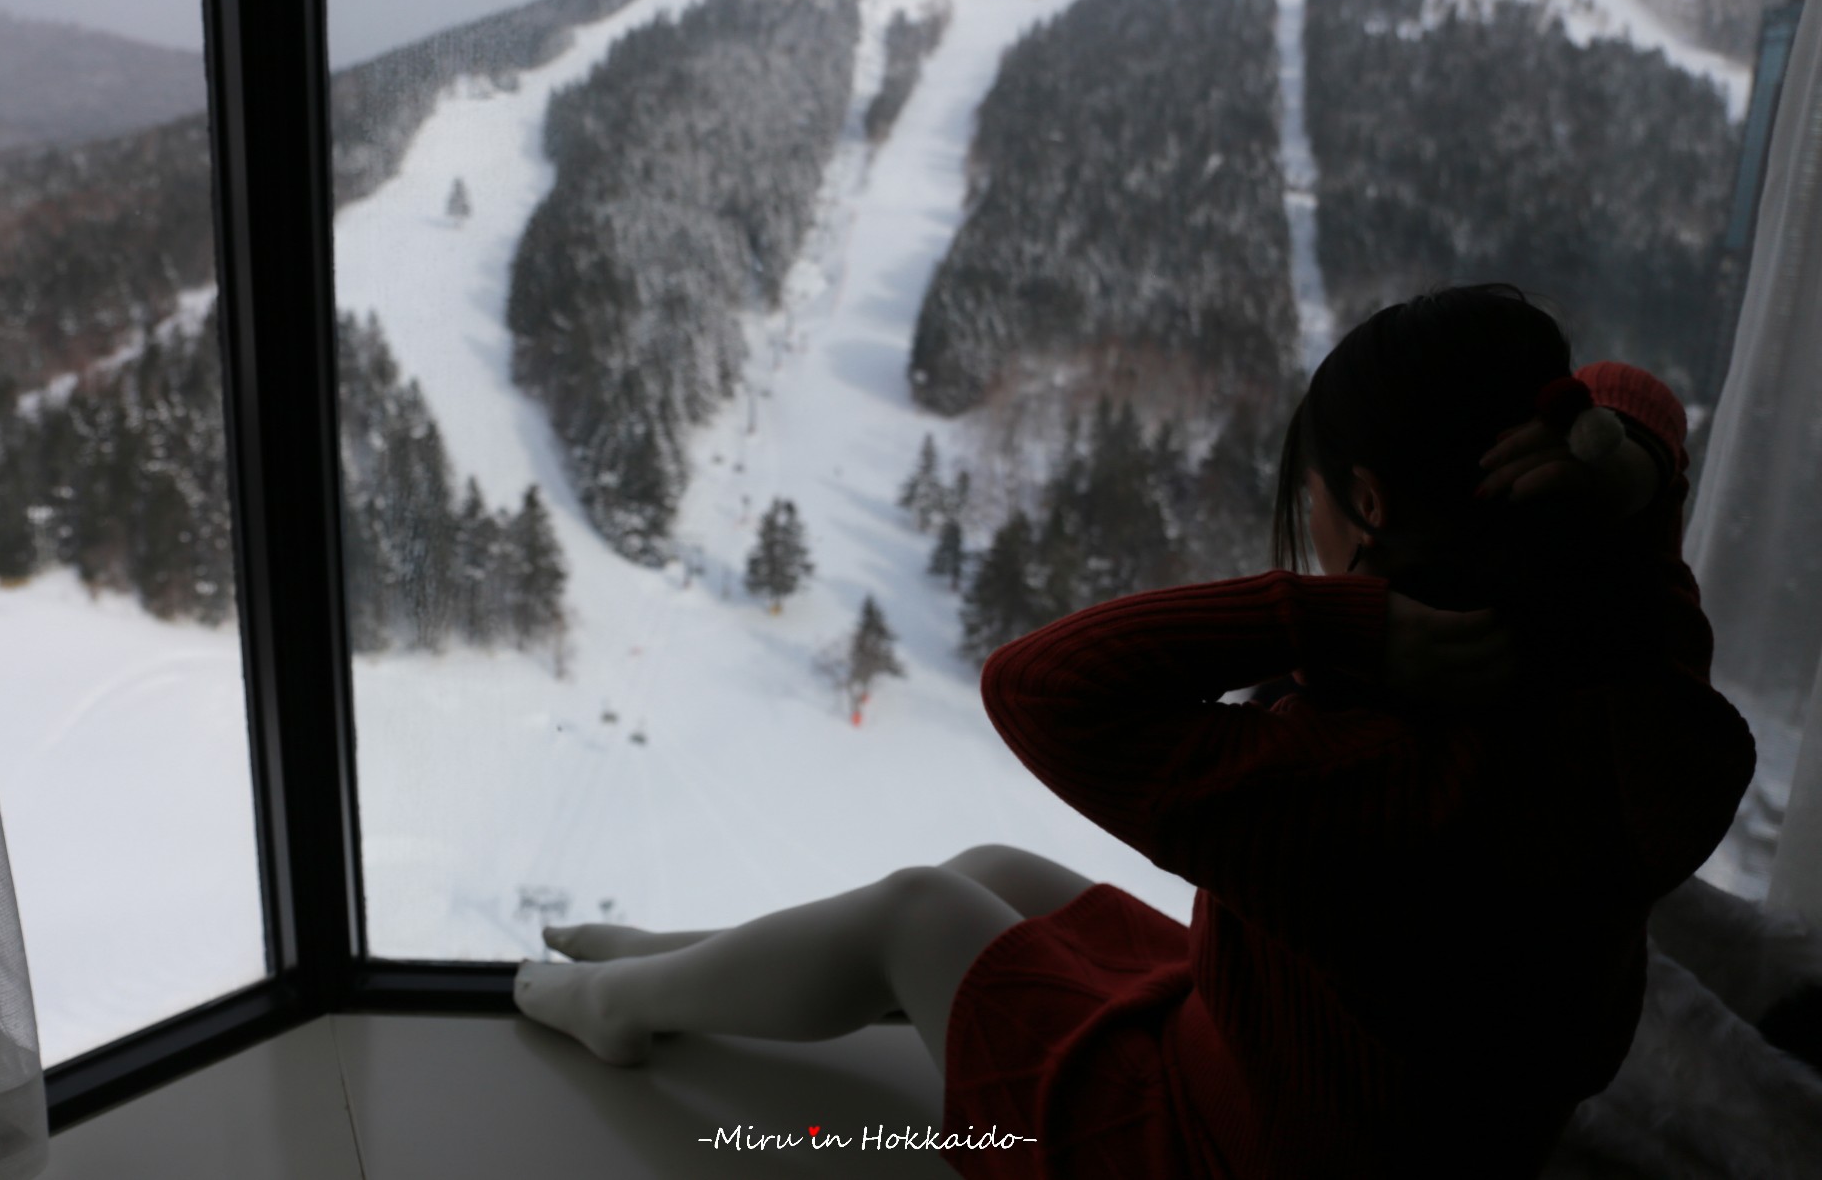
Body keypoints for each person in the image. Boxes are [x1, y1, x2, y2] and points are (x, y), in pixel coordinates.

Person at [514, 284, 1756, 1179]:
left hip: (1211, 1151)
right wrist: (1625, 464)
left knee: (918, 911)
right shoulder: (1634, 691)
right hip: (1325, 1085)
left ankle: (626, 1007)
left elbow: (1036, 685)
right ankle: (666, 964)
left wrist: (1334, 620)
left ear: (1365, 506)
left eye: (1318, 508)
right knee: (993, 879)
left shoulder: (1360, 778)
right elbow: (1632, 417)